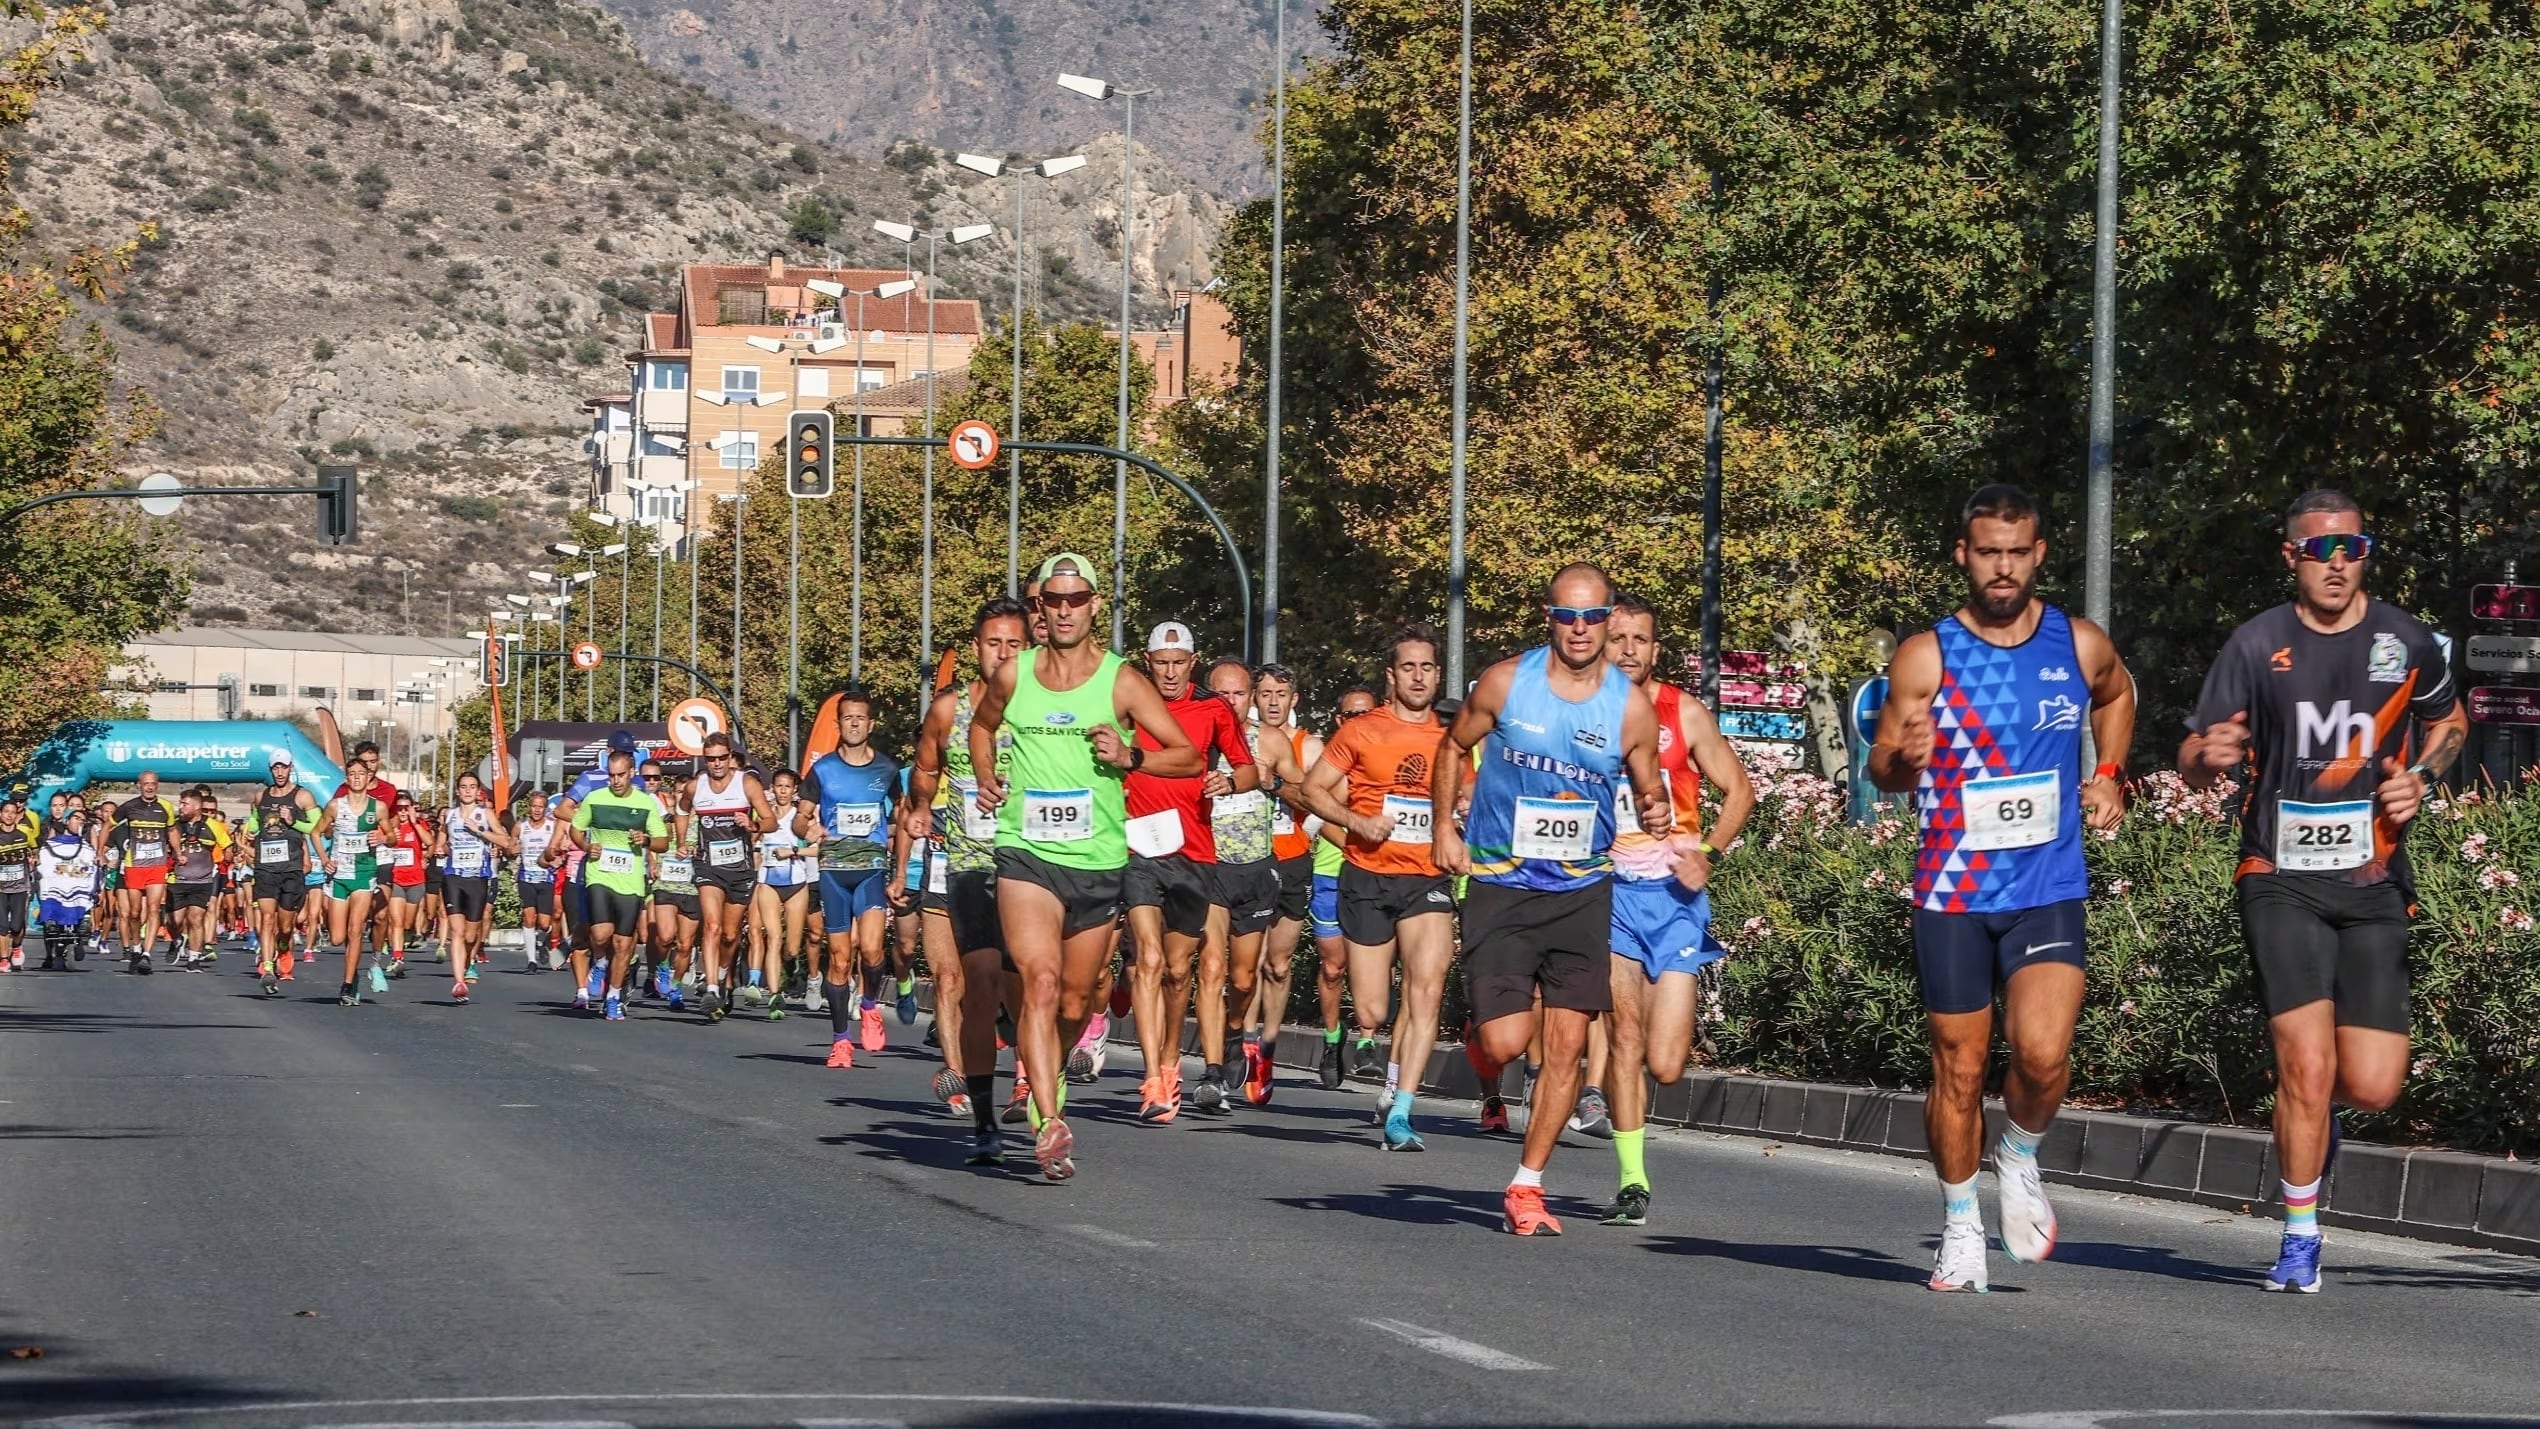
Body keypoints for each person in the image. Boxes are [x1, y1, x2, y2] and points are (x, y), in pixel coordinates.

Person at [2179, 488, 2465, 1293]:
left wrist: (2422, 776)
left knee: (2372, 1083)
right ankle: (2300, 1234)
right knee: (2304, 1062)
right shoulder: (2255, 642)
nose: (2336, 563)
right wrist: (2214, 753)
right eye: (2318, 550)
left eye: (2351, 547)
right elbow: (2194, 755)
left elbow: (2451, 723)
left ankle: (2317, 1119)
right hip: (2279, 875)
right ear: (2291, 558)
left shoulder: (2405, 638)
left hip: (2374, 878)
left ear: (2365, 553)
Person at [1868, 486, 2136, 1288]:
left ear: (2040, 554)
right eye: (1989, 552)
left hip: (2047, 882)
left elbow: (2117, 693)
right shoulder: (1928, 654)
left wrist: (2110, 774)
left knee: (2046, 1054)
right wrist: (1905, 758)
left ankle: (2017, 1152)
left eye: (2017, 553)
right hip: (1952, 890)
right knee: (1958, 1065)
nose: (2003, 567)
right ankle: (1958, 1222)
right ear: (1964, 555)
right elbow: (1883, 768)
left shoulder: (2077, 643)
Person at [1438, 563, 1669, 1236]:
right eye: (1567, 615)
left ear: (1606, 621)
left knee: (1566, 1046)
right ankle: (1483, 1026)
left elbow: (1648, 784)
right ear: (1549, 616)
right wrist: (1447, 831)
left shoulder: (1629, 706)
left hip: (1581, 889)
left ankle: (1527, 1184)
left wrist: (1655, 810)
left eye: (1593, 617)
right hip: (1503, 884)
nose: (1579, 628)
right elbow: (1454, 748)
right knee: (1507, 1043)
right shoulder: (1508, 682)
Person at [969, 552, 1203, 1178]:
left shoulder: (1123, 681)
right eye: (1054, 599)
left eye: (1077, 599)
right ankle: (1049, 1123)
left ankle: (1055, 1082)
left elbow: (1187, 757)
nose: (1065, 608)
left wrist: (1131, 758)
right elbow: (981, 728)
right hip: (1026, 852)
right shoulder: (1014, 674)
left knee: (1075, 1003)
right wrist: (989, 775)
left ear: (1095, 605)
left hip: (1098, 860)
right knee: (1039, 983)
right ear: (1039, 606)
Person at [1588, 594, 1757, 1226]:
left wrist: (1708, 850)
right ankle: (1633, 1180)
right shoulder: (1584, 712)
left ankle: (1633, 1146)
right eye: (1618, 637)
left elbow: (1740, 788)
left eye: (1640, 639)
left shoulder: (1682, 711)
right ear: (1601, 643)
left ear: (1656, 649)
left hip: (1677, 899)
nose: (1628, 648)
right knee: (1624, 1038)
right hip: (1610, 894)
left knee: (1665, 1062)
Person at [1303, 627, 1459, 1150]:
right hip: (1368, 876)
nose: (1419, 676)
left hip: (1427, 877)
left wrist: (1463, 815)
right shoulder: (1362, 731)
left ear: (1438, 675)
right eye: (1409, 668)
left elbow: (1474, 799)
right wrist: (1355, 821)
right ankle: (1378, 1055)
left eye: (1428, 668)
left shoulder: (1454, 738)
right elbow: (1311, 790)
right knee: (1372, 1010)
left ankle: (1402, 1108)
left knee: (1428, 985)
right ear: (1392, 677)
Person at [903, 597, 1030, 1162]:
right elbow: (925, 767)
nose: (1002, 653)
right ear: (975, 648)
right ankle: (982, 1115)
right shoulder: (949, 709)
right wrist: (922, 805)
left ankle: (1037, 1084)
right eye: (993, 643)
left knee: (1032, 987)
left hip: (1032, 864)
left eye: (1014, 644)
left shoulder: (1042, 707)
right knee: (972, 985)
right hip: (969, 864)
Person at [1121, 621, 1258, 1120]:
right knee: (1150, 959)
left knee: (1179, 972)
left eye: (1180, 663)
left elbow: (1248, 769)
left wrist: (1229, 781)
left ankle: (1171, 1061)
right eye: (1162, 663)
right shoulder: (1128, 705)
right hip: (1138, 848)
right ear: (1148, 661)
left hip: (1194, 852)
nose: (1171, 673)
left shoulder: (1212, 710)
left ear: (1192, 663)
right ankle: (1152, 1078)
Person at [1206, 657, 1303, 1106]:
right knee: (1211, 968)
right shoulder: (1194, 736)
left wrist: (1273, 780)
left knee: (1244, 978)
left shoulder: (1270, 739)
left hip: (1255, 868)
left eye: (1238, 693)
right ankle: (1209, 1072)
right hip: (1207, 866)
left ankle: (1232, 1032)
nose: (1230, 701)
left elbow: (1305, 795)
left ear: (1249, 698)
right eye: (1221, 693)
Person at [801, 690, 901, 1057]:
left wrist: (897, 846)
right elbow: (801, 816)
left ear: (871, 724)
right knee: (840, 958)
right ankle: (841, 1040)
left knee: (873, 951)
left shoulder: (887, 770)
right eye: (848, 718)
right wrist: (807, 829)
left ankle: (870, 1003)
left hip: (871, 869)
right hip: (833, 871)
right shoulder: (822, 769)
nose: (855, 723)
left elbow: (900, 820)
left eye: (861, 717)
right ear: (838, 724)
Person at [1247, 665, 1319, 1098]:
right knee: (1247, 963)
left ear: (1294, 699)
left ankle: (1269, 1047)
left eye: (1281, 694)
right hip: (1250, 860)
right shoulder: (1240, 737)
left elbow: (1319, 796)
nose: (1272, 701)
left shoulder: (1308, 746)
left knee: (1278, 963)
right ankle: (1248, 1043)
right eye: (1265, 693)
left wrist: (1275, 785)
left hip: (1292, 861)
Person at [568, 749, 668, 1020]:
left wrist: (646, 840)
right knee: (600, 935)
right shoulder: (594, 798)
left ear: (632, 773)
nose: (616, 781)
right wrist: (587, 846)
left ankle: (613, 996)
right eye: (611, 775)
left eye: (621, 775)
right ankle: (599, 961)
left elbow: (664, 840)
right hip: (599, 875)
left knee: (624, 945)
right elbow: (575, 829)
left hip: (631, 881)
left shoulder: (646, 803)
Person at [688, 732, 774, 1010]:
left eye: (721, 758)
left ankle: (724, 975)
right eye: (710, 759)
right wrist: (685, 837)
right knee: (711, 926)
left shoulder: (746, 784)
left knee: (729, 934)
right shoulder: (696, 787)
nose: (716, 764)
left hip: (740, 868)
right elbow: (680, 809)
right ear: (705, 760)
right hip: (708, 866)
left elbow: (770, 820)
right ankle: (711, 988)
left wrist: (753, 825)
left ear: (730, 757)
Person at [246, 756, 320, 993]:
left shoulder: (303, 796)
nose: (279, 772)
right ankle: (268, 967)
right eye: (275, 768)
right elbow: (255, 823)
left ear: (290, 768)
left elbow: (319, 828)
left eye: (283, 767)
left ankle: (284, 948)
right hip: (265, 867)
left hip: (291, 868)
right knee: (267, 919)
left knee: (286, 927)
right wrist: (249, 831)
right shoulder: (261, 797)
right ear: (270, 770)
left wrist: (294, 821)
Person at [439, 774, 516, 1001]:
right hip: (453, 877)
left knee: (471, 934)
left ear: (477, 791)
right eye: (463, 787)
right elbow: (439, 842)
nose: (467, 791)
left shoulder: (486, 814)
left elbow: (505, 841)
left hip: (478, 879)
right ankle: (459, 982)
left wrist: (479, 831)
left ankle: (470, 959)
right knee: (458, 932)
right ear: (457, 791)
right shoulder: (450, 816)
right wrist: (444, 847)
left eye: (472, 787)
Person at [319, 763, 389, 1006]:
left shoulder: (377, 807)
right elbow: (316, 832)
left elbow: (391, 836)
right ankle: (354, 971)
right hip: (340, 876)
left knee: (356, 929)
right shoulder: (336, 805)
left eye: (362, 774)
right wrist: (325, 860)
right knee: (338, 938)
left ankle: (348, 985)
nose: (357, 778)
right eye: (352, 774)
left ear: (369, 777)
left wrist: (382, 837)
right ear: (346, 778)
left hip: (364, 874)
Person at [750, 768, 813, 1019]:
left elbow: (819, 850)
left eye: (788, 787)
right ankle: (775, 995)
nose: (783, 791)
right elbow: (753, 843)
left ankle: (791, 962)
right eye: (779, 786)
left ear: (795, 790)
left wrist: (794, 852)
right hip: (768, 882)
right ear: (772, 789)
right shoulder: (765, 816)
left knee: (791, 947)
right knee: (773, 938)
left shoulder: (800, 818)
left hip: (796, 884)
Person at [102, 770, 177, 973]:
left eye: (153, 783)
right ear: (140, 785)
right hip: (134, 865)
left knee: (153, 908)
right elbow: (107, 826)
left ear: (157, 785)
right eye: (146, 784)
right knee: (134, 913)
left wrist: (178, 852)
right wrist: (101, 851)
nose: (150, 787)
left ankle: (146, 954)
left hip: (157, 864)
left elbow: (171, 830)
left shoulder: (166, 807)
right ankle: (135, 947)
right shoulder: (129, 806)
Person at [648, 772, 704, 1010]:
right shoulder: (665, 820)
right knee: (665, 936)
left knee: (685, 945)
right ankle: (661, 966)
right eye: (679, 793)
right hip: (666, 884)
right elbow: (653, 844)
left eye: (687, 793)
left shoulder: (703, 823)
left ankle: (676, 987)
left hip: (691, 887)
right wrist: (652, 863)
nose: (684, 797)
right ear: (673, 796)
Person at [35, 813, 100, 970]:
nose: (79, 822)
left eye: (82, 820)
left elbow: (90, 864)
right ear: (67, 820)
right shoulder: (50, 844)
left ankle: (82, 926)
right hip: (55, 887)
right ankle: (50, 953)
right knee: (49, 893)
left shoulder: (85, 847)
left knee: (86, 886)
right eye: (76, 818)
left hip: (76, 884)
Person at [381, 797, 432, 978]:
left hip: (415, 880)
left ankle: (401, 947)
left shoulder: (418, 825)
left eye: (406, 808)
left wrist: (415, 823)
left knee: (408, 924)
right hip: (395, 879)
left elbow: (430, 842)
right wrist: (390, 837)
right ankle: (397, 957)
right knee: (397, 921)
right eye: (399, 808)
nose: (402, 811)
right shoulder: (388, 827)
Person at [514, 790, 562, 972]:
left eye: (541, 807)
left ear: (545, 808)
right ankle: (531, 961)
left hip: (546, 878)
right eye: (534, 806)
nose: (537, 810)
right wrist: (513, 849)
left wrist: (558, 857)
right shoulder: (521, 826)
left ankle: (542, 941)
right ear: (529, 807)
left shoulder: (552, 825)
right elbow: (510, 847)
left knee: (544, 923)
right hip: (526, 877)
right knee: (528, 917)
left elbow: (560, 846)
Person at [0, 786, 35, 971]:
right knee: (2, 925)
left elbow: (35, 850)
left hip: (20, 886)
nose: (9, 815)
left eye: (13, 812)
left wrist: (33, 858)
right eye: (6, 812)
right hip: (0, 888)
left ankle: (17, 947)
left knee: (16, 926)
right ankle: (3, 959)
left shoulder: (24, 833)